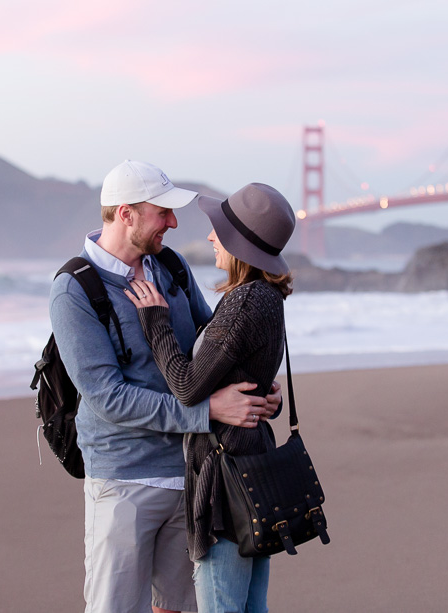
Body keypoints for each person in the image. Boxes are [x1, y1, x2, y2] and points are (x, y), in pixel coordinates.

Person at [49, 160, 282, 613]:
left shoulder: (169, 266)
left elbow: (213, 338)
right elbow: (108, 397)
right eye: (163, 212)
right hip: (122, 480)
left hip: (192, 474)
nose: (174, 223)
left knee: (176, 608)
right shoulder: (74, 290)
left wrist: (257, 389)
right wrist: (209, 410)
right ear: (126, 214)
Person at [126, 183, 296, 613]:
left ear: (240, 243)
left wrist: (156, 319)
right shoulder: (266, 298)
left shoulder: (245, 302)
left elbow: (186, 387)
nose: (209, 236)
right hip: (252, 472)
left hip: (228, 485)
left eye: (218, 229)